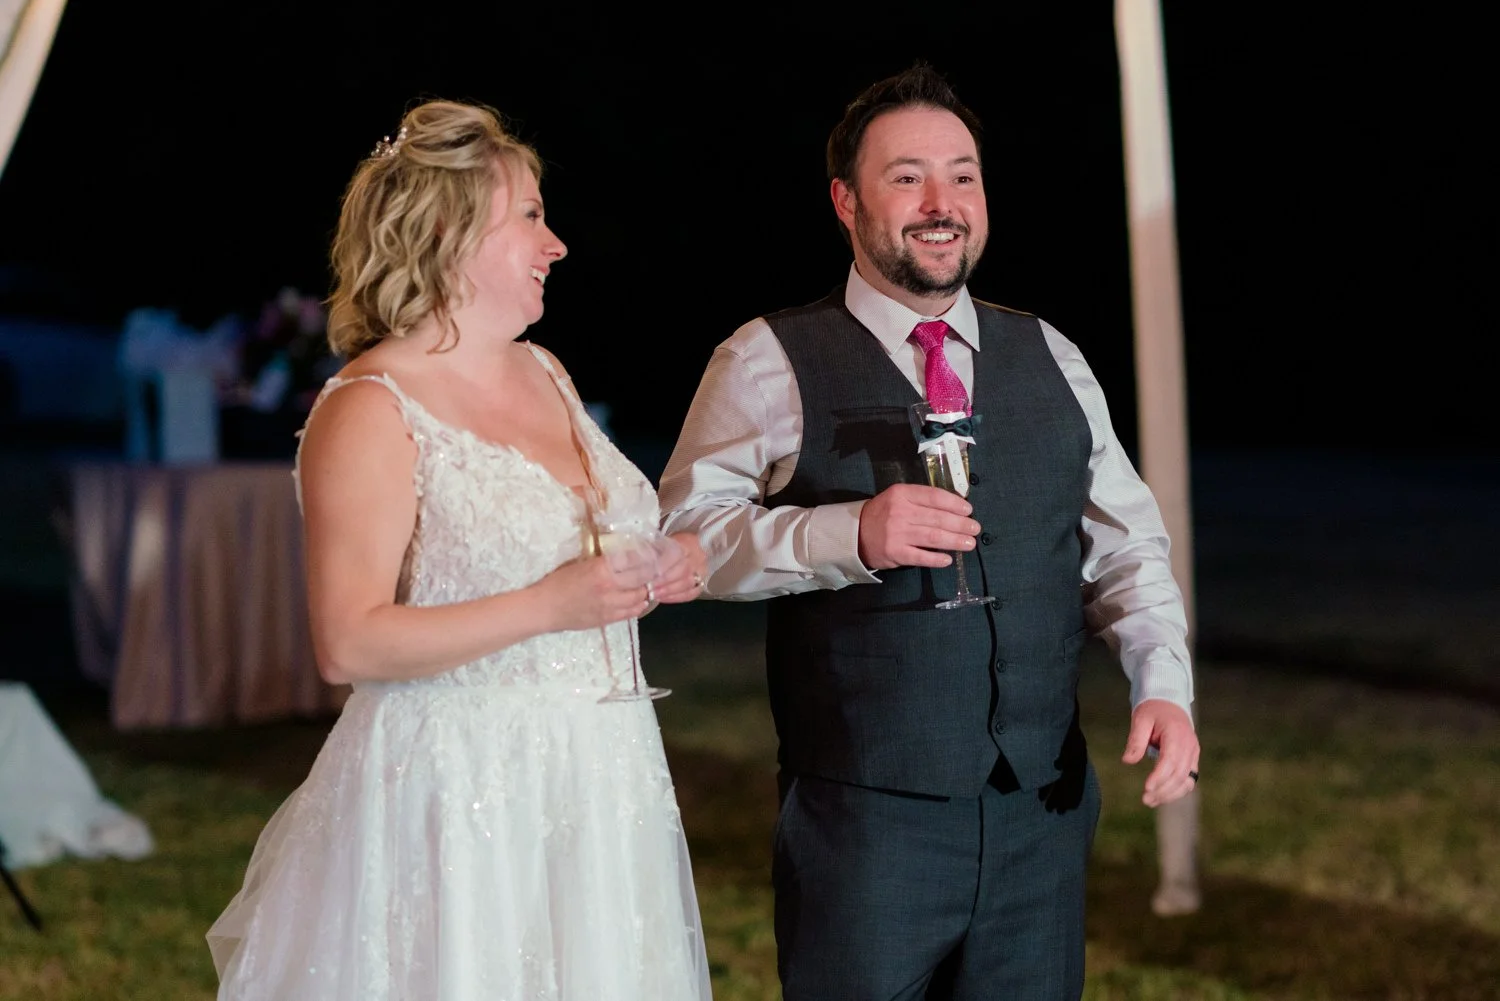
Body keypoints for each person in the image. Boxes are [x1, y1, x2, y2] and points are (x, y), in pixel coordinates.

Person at [658, 63, 1199, 1000]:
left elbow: (1126, 546)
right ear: (845, 201)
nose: (942, 202)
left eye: (963, 174)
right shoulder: (767, 359)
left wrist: (1164, 682)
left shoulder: (1052, 355)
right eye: (907, 177)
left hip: (1043, 812)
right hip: (866, 826)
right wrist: (846, 534)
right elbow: (685, 540)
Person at [207, 99, 713, 1000]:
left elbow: (587, 547)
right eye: (530, 217)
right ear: (448, 231)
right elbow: (350, 640)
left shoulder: (545, 368)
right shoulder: (370, 408)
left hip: (599, 773)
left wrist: (665, 563)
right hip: (455, 792)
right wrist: (554, 604)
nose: (555, 244)